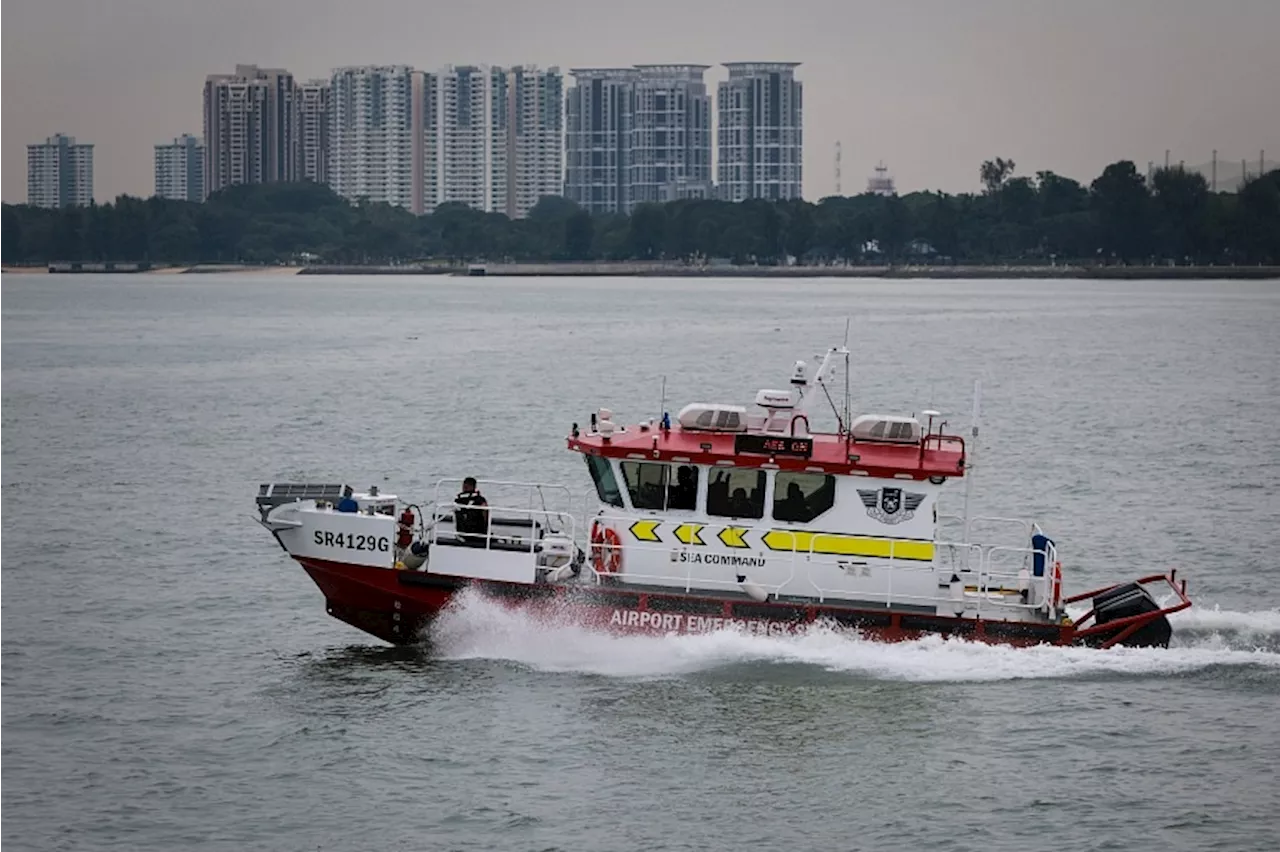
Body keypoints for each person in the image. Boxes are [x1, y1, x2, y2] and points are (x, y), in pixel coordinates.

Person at [454, 477, 489, 546]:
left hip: (462, 535)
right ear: (474, 487)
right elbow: (486, 518)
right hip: (478, 535)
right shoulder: (481, 500)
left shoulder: (457, 500)